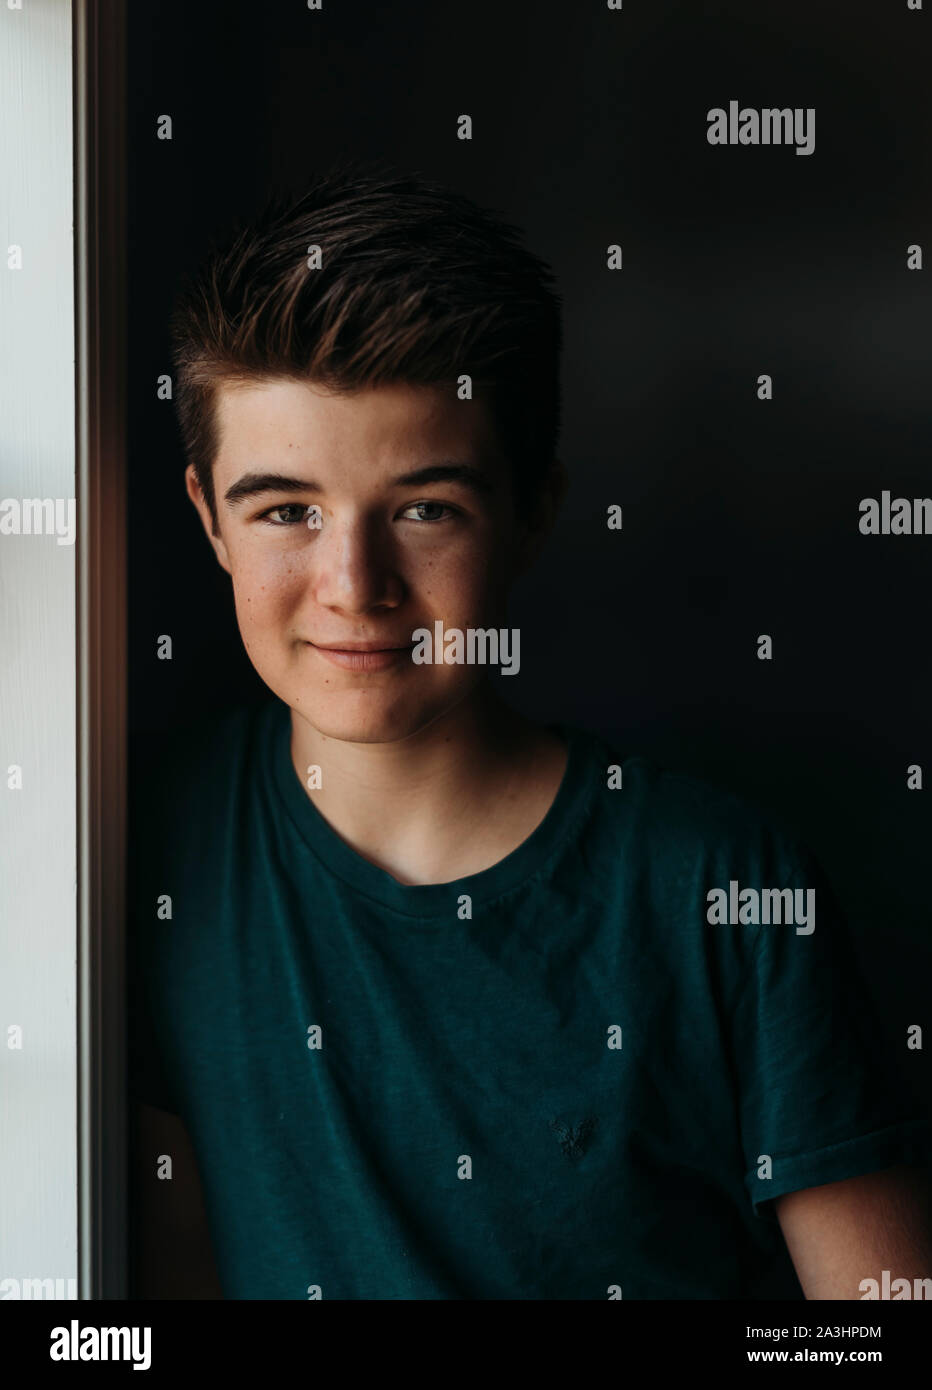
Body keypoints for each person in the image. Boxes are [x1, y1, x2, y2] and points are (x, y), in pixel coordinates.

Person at [128, 165, 931, 1300]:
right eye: (287, 510)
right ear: (209, 515)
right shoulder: (146, 841)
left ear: (530, 514)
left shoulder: (723, 888)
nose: (353, 584)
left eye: (424, 509)